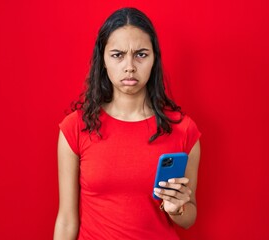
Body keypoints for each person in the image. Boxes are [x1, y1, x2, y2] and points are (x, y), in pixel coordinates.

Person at [53, 7, 201, 240]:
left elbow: (189, 218)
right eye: (117, 55)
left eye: (141, 54)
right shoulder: (75, 128)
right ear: (103, 59)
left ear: (154, 59)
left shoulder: (183, 130)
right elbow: (67, 219)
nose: (130, 66)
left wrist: (176, 208)